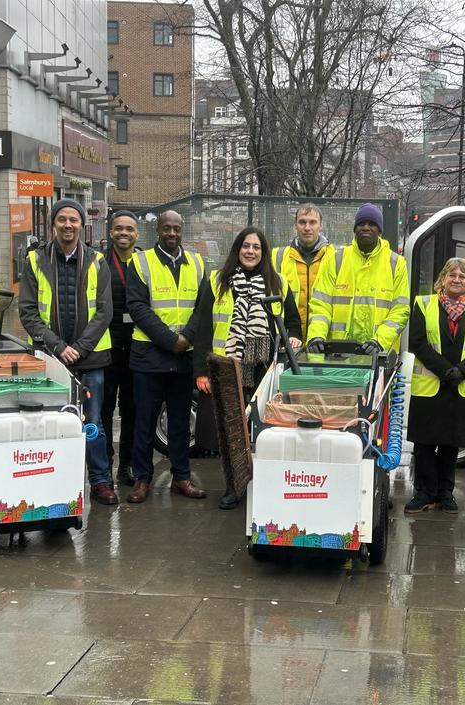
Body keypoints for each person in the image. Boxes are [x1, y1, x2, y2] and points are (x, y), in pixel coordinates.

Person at [193, 226, 302, 509]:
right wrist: (200, 371)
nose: (250, 251)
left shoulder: (278, 283)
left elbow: (292, 320)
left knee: (260, 431)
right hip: (226, 369)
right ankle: (234, 486)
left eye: (256, 247)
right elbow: (202, 325)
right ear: (237, 249)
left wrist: (293, 335)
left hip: (263, 370)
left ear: (263, 253)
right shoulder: (218, 281)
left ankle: (261, 485)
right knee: (230, 433)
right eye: (245, 246)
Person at [18, 199, 115, 505]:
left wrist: (80, 348)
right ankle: (53, 482)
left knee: (93, 423)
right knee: (49, 422)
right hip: (50, 358)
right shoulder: (34, 260)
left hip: (91, 359)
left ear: (82, 224)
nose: (68, 225)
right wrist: (58, 347)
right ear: (53, 224)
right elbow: (28, 312)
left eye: (74, 220)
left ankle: (100, 481)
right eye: (62, 220)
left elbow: (104, 311)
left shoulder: (98, 260)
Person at [125, 210, 207, 504]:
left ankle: (181, 477)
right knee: (144, 421)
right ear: (157, 231)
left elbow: (203, 306)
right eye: (166, 229)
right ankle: (142, 480)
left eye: (176, 228)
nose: (172, 233)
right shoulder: (141, 262)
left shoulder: (197, 264)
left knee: (181, 422)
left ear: (182, 231)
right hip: (150, 355)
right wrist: (171, 340)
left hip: (184, 356)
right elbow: (137, 307)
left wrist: (186, 338)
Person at [406, 258, 465, 514]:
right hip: (431, 385)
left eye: (462, 276)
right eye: (452, 275)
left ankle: (445, 493)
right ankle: (424, 493)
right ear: (442, 279)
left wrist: (463, 371)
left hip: (461, 386)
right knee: (424, 444)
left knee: (451, 444)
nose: (456, 280)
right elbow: (417, 342)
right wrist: (445, 370)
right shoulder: (424, 303)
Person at [306, 203, 409, 354]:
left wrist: (379, 341)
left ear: (379, 230)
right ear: (355, 229)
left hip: (379, 355)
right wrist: (316, 336)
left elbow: (400, 310)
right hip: (337, 353)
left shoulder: (396, 263)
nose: (366, 227)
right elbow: (321, 304)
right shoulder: (337, 259)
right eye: (361, 223)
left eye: (372, 224)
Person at [102, 210, 141, 488]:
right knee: (103, 411)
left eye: (129, 229)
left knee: (132, 411)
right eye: (119, 228)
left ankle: (125, 466)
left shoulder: (145, 263)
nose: (124, 233)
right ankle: (104, 465)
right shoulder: (99, 263)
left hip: (138, 348)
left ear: (137, 234)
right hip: (106, 348)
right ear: (111, 232)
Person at [271, 204, 335, 340]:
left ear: (321, 226)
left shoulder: (335, 257)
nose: (307, 228)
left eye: (312, 222)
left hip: (323, 342)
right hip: (288, 341)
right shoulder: (277, 257)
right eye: (302, 222)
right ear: (295, 225)